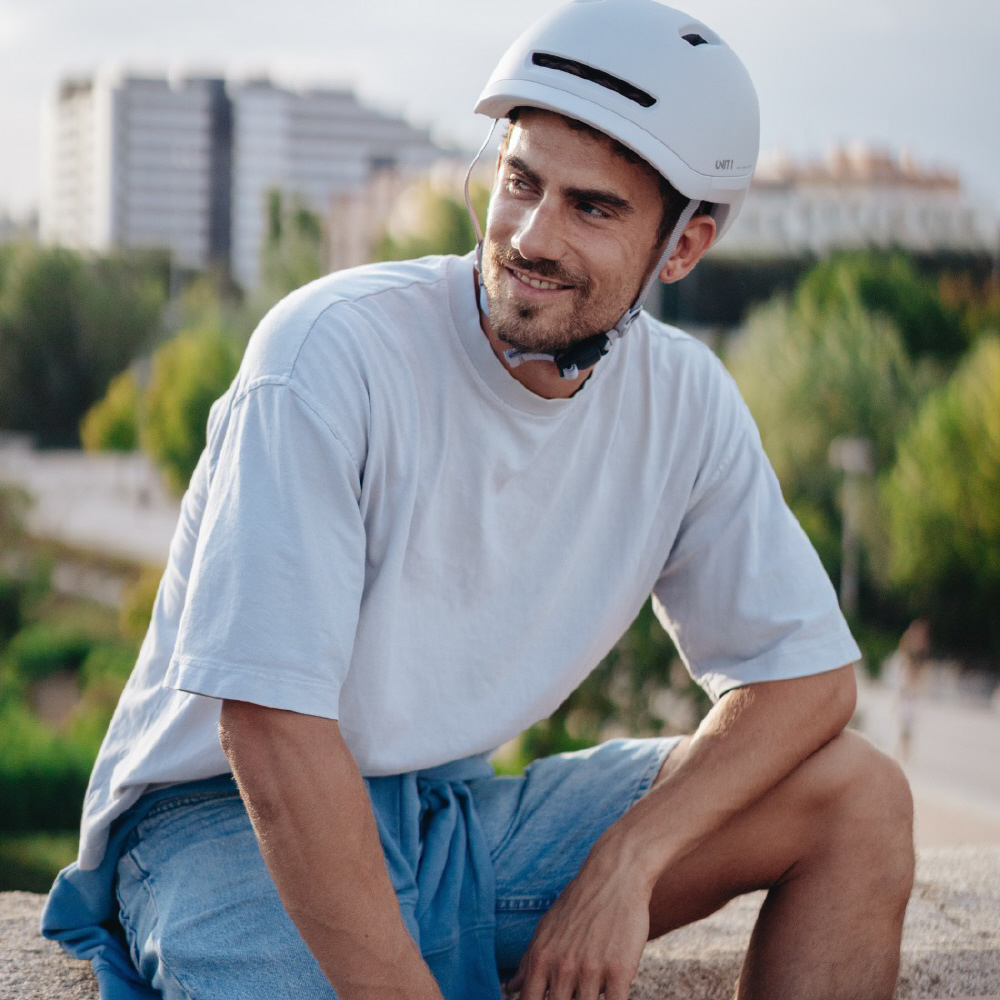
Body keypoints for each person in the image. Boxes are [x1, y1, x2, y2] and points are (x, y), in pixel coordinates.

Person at [42, 2, 914, 998]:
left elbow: (808, 680)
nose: (531, 235)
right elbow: (270, 727)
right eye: (521, 180)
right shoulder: (328, 353)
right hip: (224, 825)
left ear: (681, 248)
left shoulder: (684, 400)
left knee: (858, 798)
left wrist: (627, 862)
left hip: (450, 822)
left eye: (592, 208)